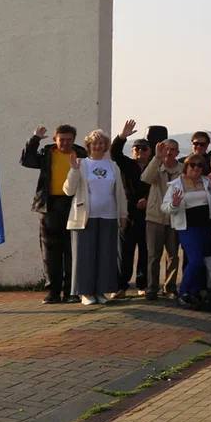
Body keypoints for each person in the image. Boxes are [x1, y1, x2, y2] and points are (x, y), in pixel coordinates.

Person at [22, 123, 88, 303]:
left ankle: (71, 292)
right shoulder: (46, 154)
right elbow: (26, 160)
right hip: (49, 206)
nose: (65, 143)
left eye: (69, 140)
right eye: (62, 139)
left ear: (74, 140)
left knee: (71, 250)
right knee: (50, 252)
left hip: (74, 204)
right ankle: (53, 291)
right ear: (55, 139)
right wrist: (34, 139)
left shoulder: (82, 155)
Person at [63, 129, 127, 305]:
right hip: (84, 217)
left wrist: (123, 215)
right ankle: (85, 293)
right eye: (95, 143)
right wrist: (74, 170)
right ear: (89, 146)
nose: (98, 146)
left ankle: (101, 291)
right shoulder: (82, 164)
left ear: (106, 146)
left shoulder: (113, 166)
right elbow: (68, 190)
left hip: (109, 215)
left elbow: (120, 192)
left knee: (106, 255)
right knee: (85, 255)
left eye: (101, 143)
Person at [159, 154, 211, 308]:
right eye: (192, 165)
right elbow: (164, 207)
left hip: (207, 227)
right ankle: (183, 291)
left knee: (205, 262)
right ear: (186, 167)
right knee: (196, 260)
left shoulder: (206, 182)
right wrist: (174, 204)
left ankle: (195, 292)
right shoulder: (176, 184)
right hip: (188, 228)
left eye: (200, 165)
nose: (196, 168)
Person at [110, 121, 150, 297]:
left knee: (145, 251)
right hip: (128, 214)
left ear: (149, 152)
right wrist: (122, 137)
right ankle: (121, 286)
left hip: (149, 214)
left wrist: (148, 200)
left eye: (143, 149)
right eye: (136, 149)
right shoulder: (126, 164)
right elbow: (114, 153)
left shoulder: (155, 166)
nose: (139, 151)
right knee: (125, 252)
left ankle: (143, 284)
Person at [142, 139, 185, 300]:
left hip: (175, 218)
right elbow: (145, 179)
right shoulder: (156, 166)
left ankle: (170, 286)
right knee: (153, 255)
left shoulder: (183, 170)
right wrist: (156, 158)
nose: (169, 152)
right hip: (155, 217)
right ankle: (152, 287)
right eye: (166, 149)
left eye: (173, 149)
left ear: (177, 152)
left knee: (173, 254)